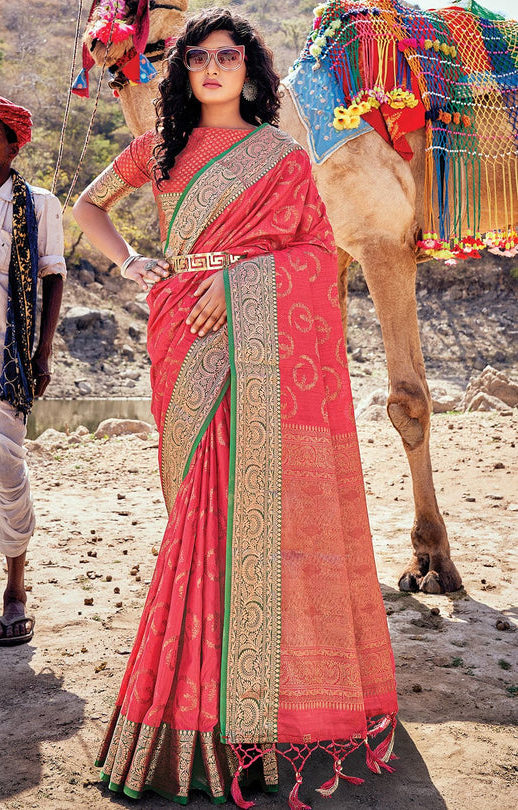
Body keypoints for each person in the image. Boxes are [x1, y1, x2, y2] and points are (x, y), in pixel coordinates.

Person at [73, 8, 398, 806]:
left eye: (229, 56)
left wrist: (238, 282)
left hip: (254, 336)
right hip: (181, 330)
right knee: (194, 509)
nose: (214, 68)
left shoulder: (284, 158)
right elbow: (88, 207)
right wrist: (134, 266)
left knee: (244, 513)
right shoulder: (159, 150)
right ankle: (205, 707)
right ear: (183, 71)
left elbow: (316, 253)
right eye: (199, 58)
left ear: (251, 70)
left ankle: (251, 706)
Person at [0, 95, 66, 646]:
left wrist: (41, 354)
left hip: (4, 356)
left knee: (8, 471)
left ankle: (15, 594)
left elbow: (52, 276)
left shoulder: (40, 205)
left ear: (14, 145)